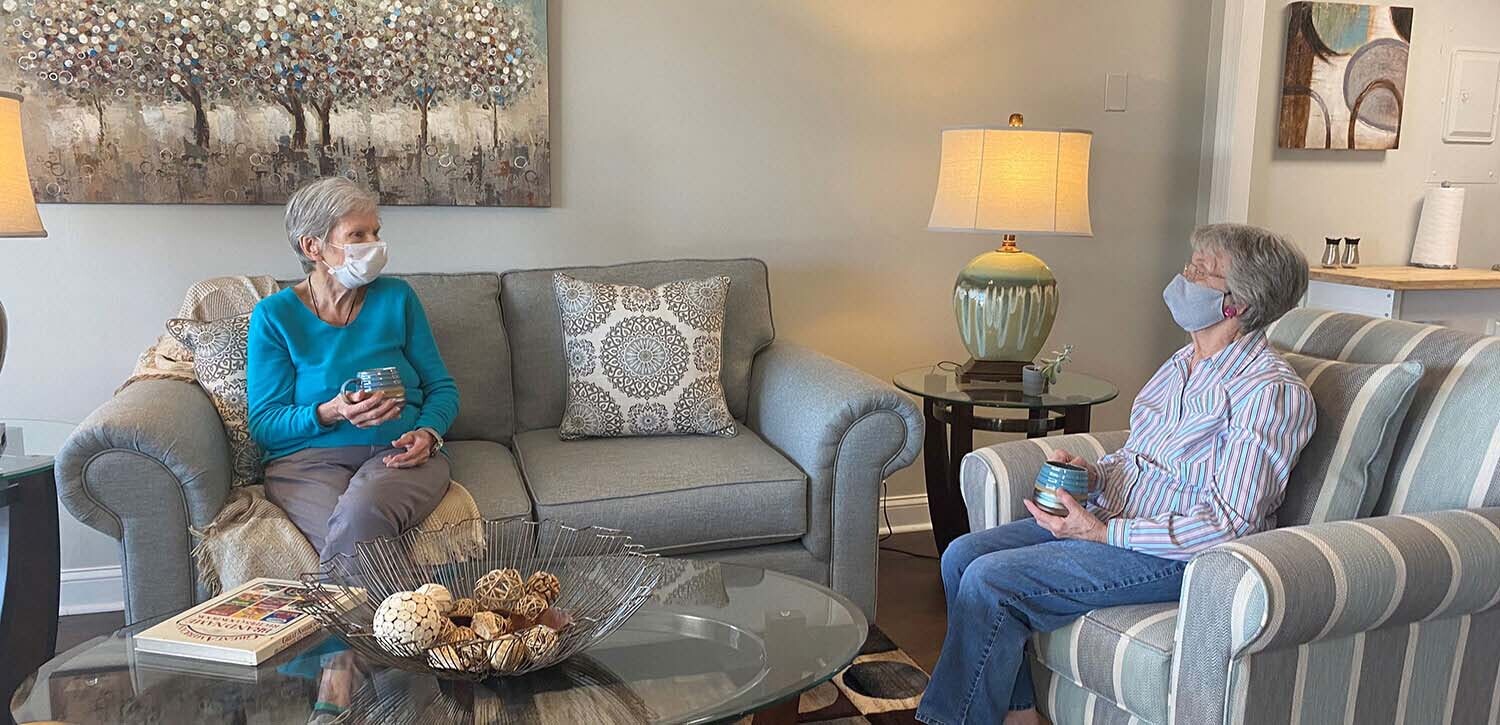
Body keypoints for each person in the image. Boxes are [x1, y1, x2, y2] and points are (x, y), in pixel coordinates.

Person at [915, 223, 1318, 725]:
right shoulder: (1182, 364)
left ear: (1235, 303)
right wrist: (1093, 475)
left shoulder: (1270, 392)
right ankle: (1019, 714)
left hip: (1176, 554)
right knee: (962, 555)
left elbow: (1229, 524)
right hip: (1119, 521)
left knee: (991, 580)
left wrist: (1103, 531)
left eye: (1200, 271)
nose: (1183, 276)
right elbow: (1138, 455)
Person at [247, 176, 459, 560]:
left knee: (361, 515)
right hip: (308, 462)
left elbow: (442, 388)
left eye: (375, 232)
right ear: (313, 246)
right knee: (356, 538)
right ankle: (411, 616)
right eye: (357, 235)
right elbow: (265, 424)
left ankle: (343, 620)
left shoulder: (398, 298)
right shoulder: (274, 316)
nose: (373, 245)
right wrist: (332, 411)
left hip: (398, 451)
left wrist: (428, 433)